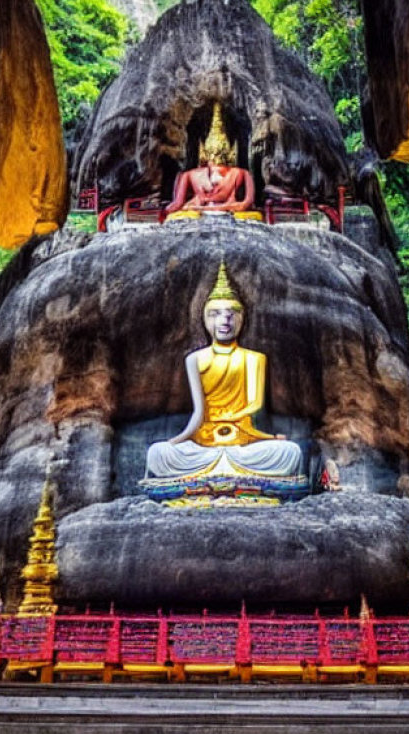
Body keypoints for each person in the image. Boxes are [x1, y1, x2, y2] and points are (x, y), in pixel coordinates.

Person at [144, 264, 302, 479]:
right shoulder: (195, 359)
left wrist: (267, 438)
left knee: (289, 452)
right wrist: (177, 441)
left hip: (243, 442)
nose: (225, 319)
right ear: (206, 320)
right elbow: (199, 412)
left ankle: (219, 473)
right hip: (204, 443)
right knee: (158, 453)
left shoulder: (254, 358)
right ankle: (229, 473)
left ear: (241, 319)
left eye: (232, 313)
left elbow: (253, 406)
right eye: (216, 314)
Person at [165, 104, 255, 215]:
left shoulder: (189, 175)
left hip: (199, 210)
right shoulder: (242, 173)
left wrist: (201, 207)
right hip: (225, 212)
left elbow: (176, 205)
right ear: (231, 152)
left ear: (204, 152)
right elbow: (246, 204)